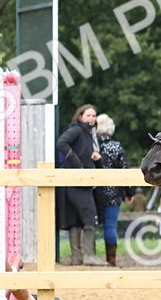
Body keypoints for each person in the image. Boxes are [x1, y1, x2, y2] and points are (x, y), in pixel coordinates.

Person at [56, 104, 101, 265]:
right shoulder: (76, 130)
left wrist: (92, 157)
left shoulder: (87, 133)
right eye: (88, 115)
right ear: (80, 116)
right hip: (79, 181)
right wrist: (78, 163)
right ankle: (90, 256)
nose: (91, 119)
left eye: (94, 116)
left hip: (76, 182)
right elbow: (61, 143)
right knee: (90, 217)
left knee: (74, 219)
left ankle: (76, 258)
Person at [94, 114, 130, 267]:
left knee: (91, 225)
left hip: (93, 191)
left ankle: (89, 256)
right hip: (113, 192)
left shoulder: (94, 146)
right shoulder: (116, 146)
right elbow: (125, 170)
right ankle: (111, 260)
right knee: (110, 226)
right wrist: (129, 193)